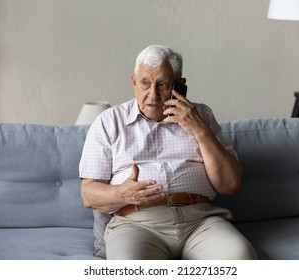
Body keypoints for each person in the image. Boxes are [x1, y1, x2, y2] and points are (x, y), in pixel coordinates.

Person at [79, 45, 257, 260]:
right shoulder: (109, 122)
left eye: (162, 84)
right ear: (134, 82)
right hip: (137, 224)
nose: (152, 94)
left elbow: (229, 185)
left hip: (201, 221)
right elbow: (88, 194)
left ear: (179, 86)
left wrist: (200, 131)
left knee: (240, 258)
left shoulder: (201, 115)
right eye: (145, 83)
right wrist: (122, 194)